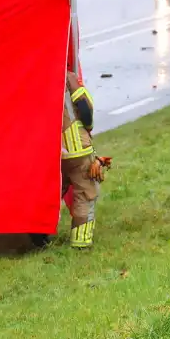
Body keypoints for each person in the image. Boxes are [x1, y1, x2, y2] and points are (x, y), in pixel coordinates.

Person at [60, 70, 109, 250]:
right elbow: (85, 107)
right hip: (76, 148)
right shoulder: (67, 77)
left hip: (50, 150)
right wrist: (88, 128)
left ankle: (35, 235)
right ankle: (81, 242)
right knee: (86, 192)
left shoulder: (34, 73)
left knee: (50, 191)